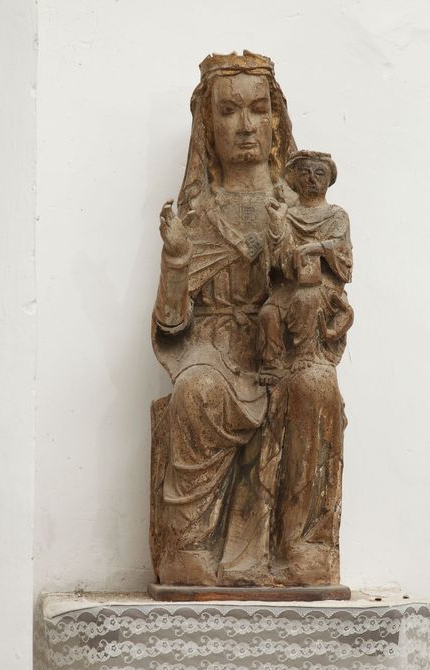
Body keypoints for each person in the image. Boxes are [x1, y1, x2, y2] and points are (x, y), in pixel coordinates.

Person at [150, 51, 297, 586]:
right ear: (207, 125)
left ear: (276, 120)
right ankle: (189, 547)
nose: (245, 126)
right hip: (211, 350)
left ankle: (304, 547)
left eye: (258, 109)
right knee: (197, 391)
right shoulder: (197, 215)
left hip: (281, 347)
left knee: (315, 390)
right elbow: (172, 325)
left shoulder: (299, 211)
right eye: (229, 111)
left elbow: (323, 297)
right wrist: (176, 261)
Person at [258, 150, 353, 385]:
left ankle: (306, 354)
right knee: (269, 312)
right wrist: (277, 225)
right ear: (295, 178)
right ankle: (274, 363)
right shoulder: (289, 215)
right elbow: (279, 258)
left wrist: (314, 248)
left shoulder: (336, 215)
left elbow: (340, 248)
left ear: (328, 180)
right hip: (292, 283)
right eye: (305, 173)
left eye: (319, 173)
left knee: (306, 298)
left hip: (324, 287)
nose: (311, 179)